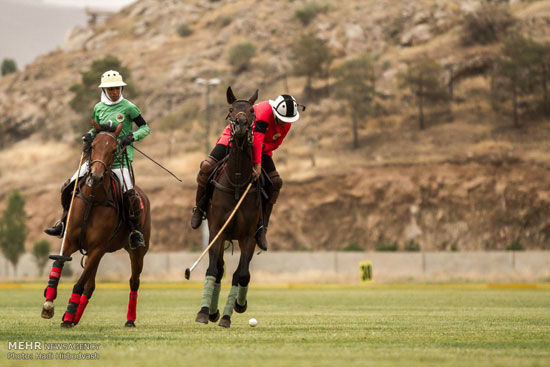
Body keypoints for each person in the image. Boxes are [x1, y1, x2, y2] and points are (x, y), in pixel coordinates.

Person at [44, 70, 150, 249]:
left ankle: (134, 232)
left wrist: (131, 137)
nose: (114, 92)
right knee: (69, 185)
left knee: (130, 195)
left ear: (121, 88)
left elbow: (145, 128)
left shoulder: (129, 107)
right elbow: (97, 131)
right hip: (97, 161)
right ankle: (63, 222)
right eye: (110, 89)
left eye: (117, 88)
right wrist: (89, 134)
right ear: (105, 90)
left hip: (120, 162)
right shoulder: (98, 108)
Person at [190, 94, 304, 251]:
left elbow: (276, 143)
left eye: (287, 120)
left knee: (276, 183)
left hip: (262, 149)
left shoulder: (288, 119)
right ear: (275, 110)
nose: (284, 122)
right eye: (281, 119)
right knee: (207, 167)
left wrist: (262, 152)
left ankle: (261, 228)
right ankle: (199, 208)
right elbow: (257, 139)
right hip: (233, 139)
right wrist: (256, 164)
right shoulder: (264, 112)